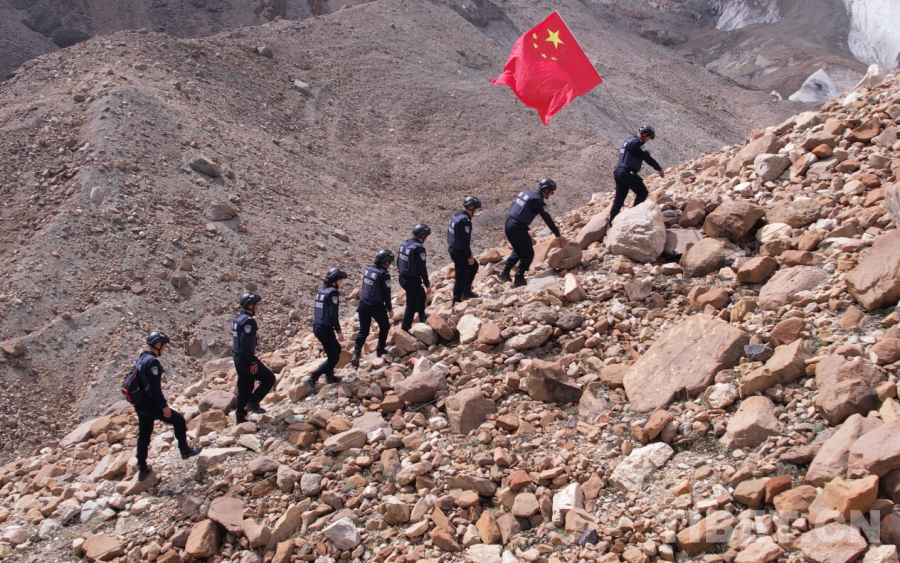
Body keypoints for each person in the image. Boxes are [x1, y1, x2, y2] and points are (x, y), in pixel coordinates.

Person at [132, 331, 202, 481]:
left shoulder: (140, 358)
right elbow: (155, 388)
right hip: (151, 403)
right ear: (157, 344)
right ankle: (185, 450)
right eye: (163, 345)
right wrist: (164, 406)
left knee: (144, 433)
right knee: (179, 420)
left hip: (139, 403)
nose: (164, 348)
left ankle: (142, 466)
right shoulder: (153, 363)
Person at [498, 179, 567, 287]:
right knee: (528, 253)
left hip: (509, 223)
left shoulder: (526, 193)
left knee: (519, 249)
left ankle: (505, 272)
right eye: (552, 192)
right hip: (518, 227)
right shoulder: (537, 201)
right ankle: (519, 277)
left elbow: (513, 207)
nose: (551, 194)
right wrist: (558, 235)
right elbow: (547, 218)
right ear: (547, 190)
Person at [608, 124, 665, 228]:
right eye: (649, 137)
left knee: (619, 199)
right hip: (627, 173)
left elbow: (636, 153)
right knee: (643, 193)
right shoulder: (636, 144)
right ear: (645, 134)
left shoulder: (630, 141)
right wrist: (659, 169)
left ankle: (610, 224)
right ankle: (634, 217)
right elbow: (647, 159)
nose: (648, 140)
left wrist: (643, 153)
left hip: (619, 172)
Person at [232, 292, 276, 424]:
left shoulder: (238, 319)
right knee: (269, 379)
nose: (258, 307)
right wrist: (252, 361)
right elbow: (246, 343)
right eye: (256, 304)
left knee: (244, 387)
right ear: (250, 305)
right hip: (246, 359)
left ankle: (240, 418)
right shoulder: (248, 321)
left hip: (238, 357)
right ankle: (253, 402)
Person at [304, 268, 348, 394]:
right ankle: (313, 377)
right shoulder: (333, 293)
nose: (342, 282)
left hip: (318, 326)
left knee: (336, 350)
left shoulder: (322, 291)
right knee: (333, 357)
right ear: (336, 280)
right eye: (341, 279)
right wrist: (339, 331)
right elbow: (333, 315)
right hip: (325, 328)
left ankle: (330, 376)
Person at [351, 250, 394, 367]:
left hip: (363, 304)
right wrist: (389, 309)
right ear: (385, 262)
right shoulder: (384, 275)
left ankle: (356, 353)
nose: (390, 264)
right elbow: (386, 294)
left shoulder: (368, 269)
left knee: (363, 331)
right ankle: (380, 350)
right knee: (384, 327)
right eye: (389, 262)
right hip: (376, 306)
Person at [447, 196, 482, 304]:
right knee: (461, 275)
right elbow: (464, 242)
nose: (476, 211)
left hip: (453, 247)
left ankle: (466, 290)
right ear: (470, 207)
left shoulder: (457, 215)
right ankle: (456, 299)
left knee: (473, 267)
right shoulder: (464, 221)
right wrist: (468, 256)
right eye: (475, 209)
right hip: (459, 251)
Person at [398, 224, 432, 332]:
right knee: (411, 305)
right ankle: (405, 328)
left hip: (402, 277)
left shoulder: (405, 244)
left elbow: (399, 261)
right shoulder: (419, 249)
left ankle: (422, 315)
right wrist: (427, 284)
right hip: (412, 280)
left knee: (421, 294)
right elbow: (422, 268)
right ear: (423, 236)